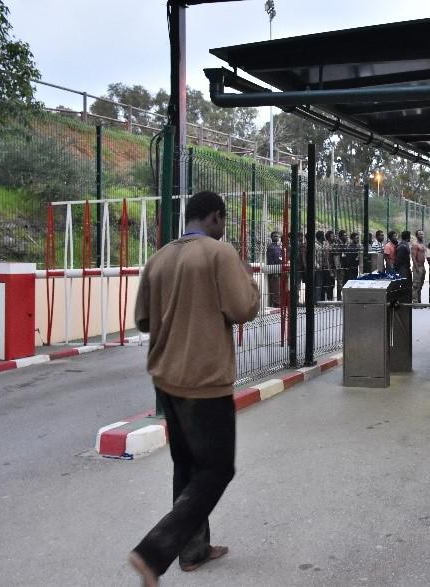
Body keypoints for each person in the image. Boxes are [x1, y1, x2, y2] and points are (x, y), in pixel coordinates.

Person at [129, 191, 260, 586]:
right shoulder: (218, 254)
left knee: (186, 465)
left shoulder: (160, 258)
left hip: (167, 379)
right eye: (224, 219)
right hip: (205, 381)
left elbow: (143, 320)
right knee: (218, 469)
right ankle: (154, 552)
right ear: (216, 218)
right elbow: (243, 309)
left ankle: (193, 550)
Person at [266, 230, 283, 308]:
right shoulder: (271, 247)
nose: (276, 237)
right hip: (274, 271)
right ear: (271, 237)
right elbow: (271, 261)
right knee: (275, 289)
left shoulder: (279, 247)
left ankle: (278, 304)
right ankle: (276, 305)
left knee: (278, 289)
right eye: (274, 236)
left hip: (280, 270)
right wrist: (274, 272)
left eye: (277, 236)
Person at [411, 229, 427, 302]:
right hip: (418, 267)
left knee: (420, 285)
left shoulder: (422, 244)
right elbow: (413, 257)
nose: (422, 235)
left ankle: (419, 300)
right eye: (420, 234)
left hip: (422, 267)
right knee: (416, 285)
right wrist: (417, 268)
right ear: (417, 235)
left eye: (422, 234)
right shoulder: (415, 245)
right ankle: (415, 301)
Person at [314, 230, 329, 301]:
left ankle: (322, 300)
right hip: (318, 268)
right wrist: (317, 266)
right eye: (323, 235)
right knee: (318, 285)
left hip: (324, 267)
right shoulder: (315, 245)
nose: (324, 237)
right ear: (320, 237)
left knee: (323, 285)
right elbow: (314, 257)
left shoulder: (323, 244)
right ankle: (318, 301)